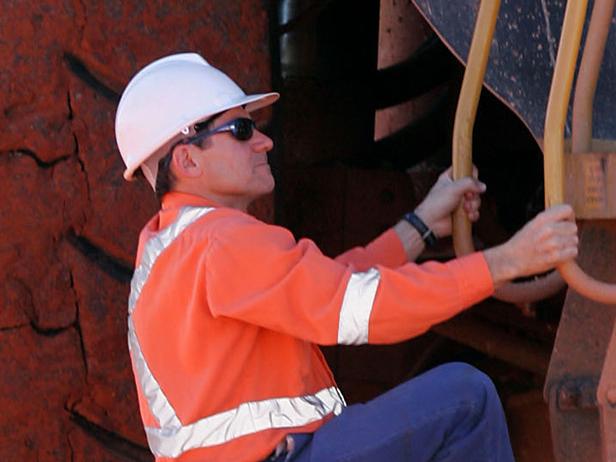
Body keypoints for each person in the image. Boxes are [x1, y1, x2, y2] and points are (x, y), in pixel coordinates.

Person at [115, 53, 578, 462]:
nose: (264, 142)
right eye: (240, 130)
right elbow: (360, 308)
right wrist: (505, 263)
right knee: (466, 399)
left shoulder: (170, 249)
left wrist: (419, 226)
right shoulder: (222, 242)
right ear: (187, 162)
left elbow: (326, 284)